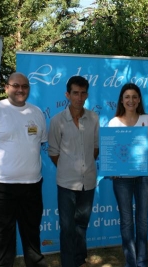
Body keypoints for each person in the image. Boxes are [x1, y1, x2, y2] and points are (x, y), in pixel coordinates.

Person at [0, 72, 47, 267]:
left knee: (31, 232)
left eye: (25, 86)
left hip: (32, 185)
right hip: (0, 186)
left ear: (29, 89)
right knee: (2, 236)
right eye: (16, 85)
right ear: (7, 88)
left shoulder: (36, 113)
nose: (20, 89)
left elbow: (40, 141)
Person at [48, 76, 99, 267]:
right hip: (66, 183)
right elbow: (53, 152)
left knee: (81, 226)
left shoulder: (93, 118)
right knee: (67, 227)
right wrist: (69, 167)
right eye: (75, 93)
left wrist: (84, 167)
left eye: (83, 92)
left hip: (89, 182)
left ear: (87, 94)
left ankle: (80, 260)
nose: (79, 97)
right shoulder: (57, 120)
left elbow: (95, 148)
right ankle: (68, 263)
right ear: (67, 94)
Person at [108, 83, 148, 267]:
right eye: (127, 96)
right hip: (121, 179)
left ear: (139, 100)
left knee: (142, 221)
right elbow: (111, 152)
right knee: (126, 221)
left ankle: (142, 261)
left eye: (134, 97)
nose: (131, 100)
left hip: (144, 176)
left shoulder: (147, 119)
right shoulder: (114, 122)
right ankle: (131, 261)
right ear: (122, 99)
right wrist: (112, 170)